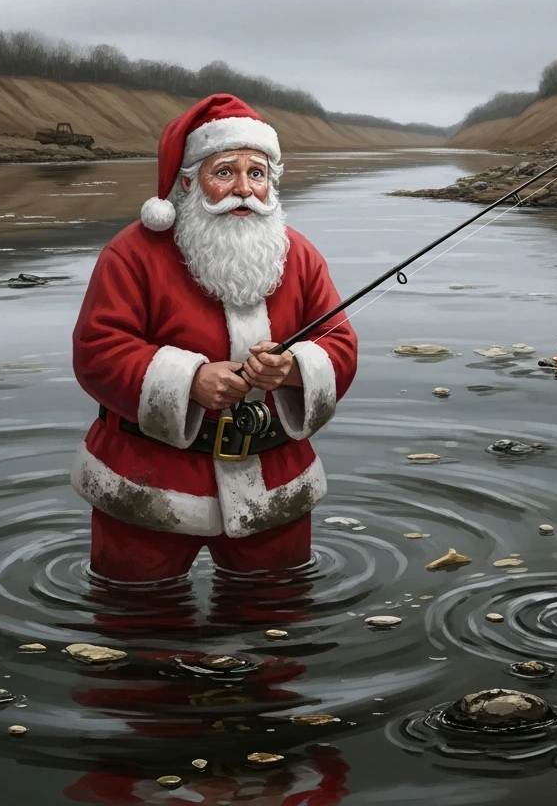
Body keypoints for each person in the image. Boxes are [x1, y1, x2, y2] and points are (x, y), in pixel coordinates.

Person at [70, 93, 358, 582]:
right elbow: (97, 350)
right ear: (188, 182)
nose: (244, 189)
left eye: (257, 173)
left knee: (277, 625)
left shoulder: (301, 256)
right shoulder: (132, 254)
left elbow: (340, 344)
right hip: (149, 480)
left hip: (273, 479)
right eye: (225, 172)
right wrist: (190, 380)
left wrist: (292, 370)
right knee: (136, 624)